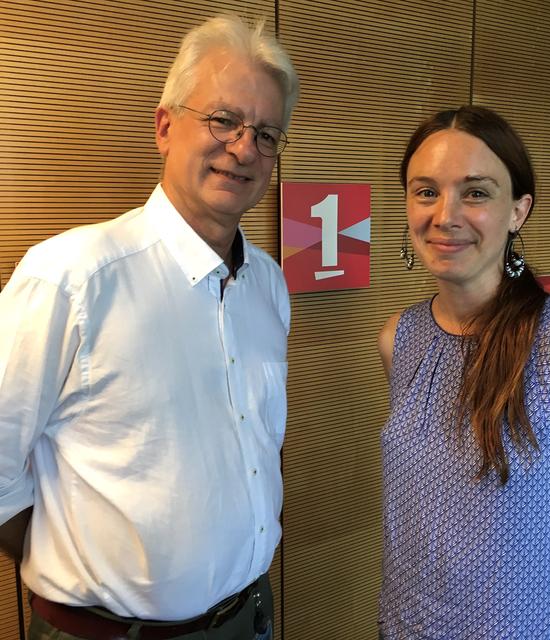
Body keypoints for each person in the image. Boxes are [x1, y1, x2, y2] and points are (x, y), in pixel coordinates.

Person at [0, 13, 298, 640]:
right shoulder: (74, 278)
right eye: (223, 120)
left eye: (267, 133)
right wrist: (72, 560)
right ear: (166, 126)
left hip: (252, 616)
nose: (244, 148)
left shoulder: (268, 284)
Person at [377, 105, 550, 639]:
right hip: (406, 625)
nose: (444, 214)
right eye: (425, 191)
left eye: (475, 192)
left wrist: (545, 597)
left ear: (518, 211)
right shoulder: (400, 339)